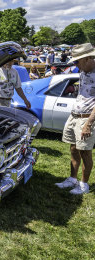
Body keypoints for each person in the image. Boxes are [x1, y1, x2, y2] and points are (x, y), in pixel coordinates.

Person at [56, 43, 95, 194]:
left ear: (87, 58)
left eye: (76, 61)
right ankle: (72, 179)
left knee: (85, 151)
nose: (75, 64)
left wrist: (88, 124)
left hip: (87, 118)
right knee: (73, 148)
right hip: (74, 116)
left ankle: (84, 185)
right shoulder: (83, 71)